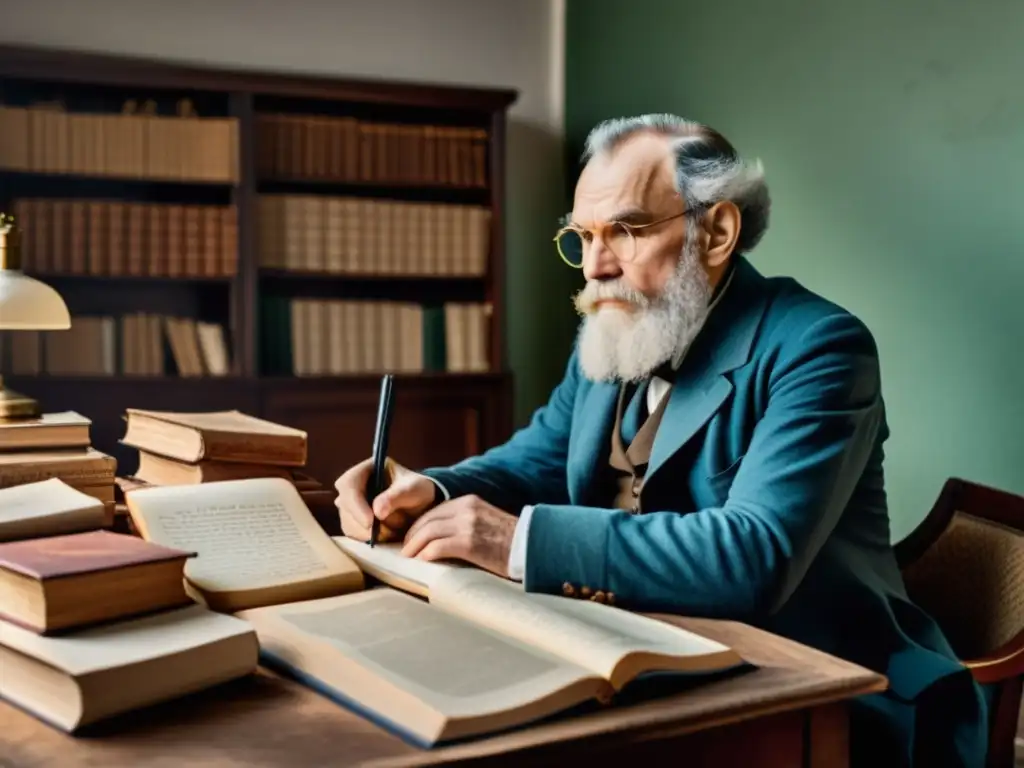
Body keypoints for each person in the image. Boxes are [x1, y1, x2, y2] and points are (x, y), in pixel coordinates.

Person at [335, 114, 987, 766]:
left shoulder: (820, 346)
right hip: (636, 646)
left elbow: (754, 555)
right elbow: (538, 456)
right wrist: (434, 487)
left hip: (819, 682)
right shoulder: (617, 326)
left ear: (716, 232)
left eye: (624, 231)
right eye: (582, 237)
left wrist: (514, 540)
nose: (594, 266)